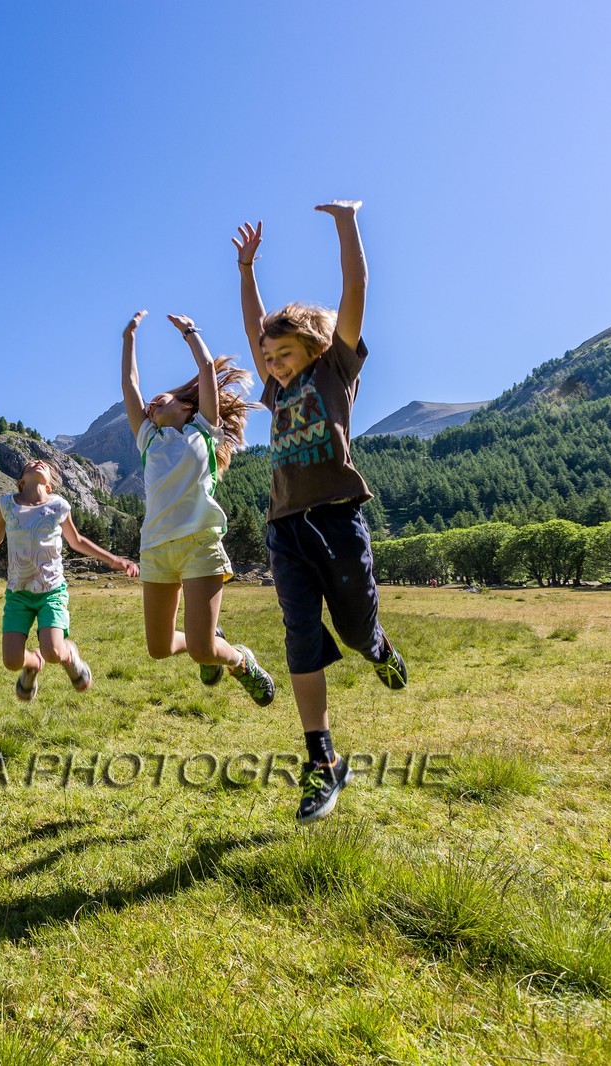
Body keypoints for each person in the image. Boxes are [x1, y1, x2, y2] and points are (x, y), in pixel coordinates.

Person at [234, 203, 409, 825]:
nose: (273, 365)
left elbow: (355, 288)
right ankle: (323, 761)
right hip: (285, 527)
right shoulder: (276, 388)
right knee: (301, 637)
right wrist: (246, 266)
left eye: (282, 354)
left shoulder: (336, 367)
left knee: (357, 631)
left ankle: (379, 648)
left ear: (310, 346)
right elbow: (256, 321)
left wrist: (347, 221)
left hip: (337, 519)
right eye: (268, 357)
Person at [120, 310, 276, 707]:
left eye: (163, 398)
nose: (153, 402)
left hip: (198, 543)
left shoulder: (202, 430)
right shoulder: (148, 441)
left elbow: (207, 367)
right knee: (158, 647)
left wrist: (190, 332)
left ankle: (240, 661)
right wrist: (129, 338)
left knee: (204, 651)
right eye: (151, 402)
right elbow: (130, 384)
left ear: (188, 408)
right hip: (156, 548)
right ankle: (211, 642)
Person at [0, 458, 138, 700]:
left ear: (50, 485)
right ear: (21, 481)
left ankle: (69, 655)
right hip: (18, 594)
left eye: (44, 465)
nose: (38, 462)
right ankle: (32, 664)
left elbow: (78, 541)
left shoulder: (59, 506)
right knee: (11, 661)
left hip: (51, 591)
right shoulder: (7, 505)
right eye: (31, 463)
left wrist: (115, 560)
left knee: (53, 651)